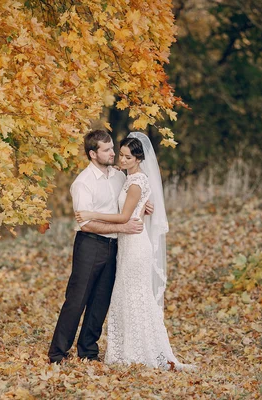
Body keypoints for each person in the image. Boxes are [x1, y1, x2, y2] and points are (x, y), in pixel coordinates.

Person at [75, 132, 193, 371]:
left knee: (135, 295)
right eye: (120, 154)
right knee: (126, 295)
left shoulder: (136, 181)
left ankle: (140, 350)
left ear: (139, 159)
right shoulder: (127, 179)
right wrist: (143, 207)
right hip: (126, 244)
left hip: (136, 244)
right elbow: (133, 207)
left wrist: (90, 214)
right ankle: (128, 349)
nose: (122, 159)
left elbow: (124, 217)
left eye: (128, 157)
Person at [48, 129, 150, 364]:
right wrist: (122, 228)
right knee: (77, 299)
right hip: (90, 245)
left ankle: (88, 351)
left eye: (113, 148)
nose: (113, 153)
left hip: (116, 247)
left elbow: (130, 197)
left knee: (100, 301)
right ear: (93, 154)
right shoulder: (82, 183)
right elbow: (86, 224)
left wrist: (145, 204)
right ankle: (57, 353)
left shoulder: (118, 175)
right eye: (107, 150)